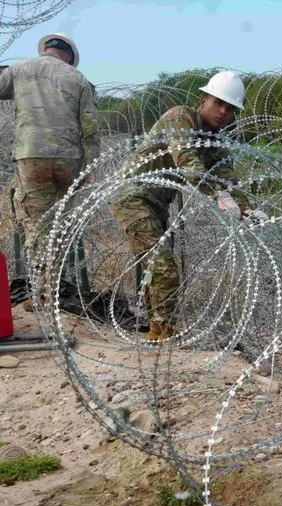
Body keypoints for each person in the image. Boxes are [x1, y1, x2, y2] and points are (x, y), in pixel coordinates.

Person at [110, 71, 252, 341]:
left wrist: (247, 208)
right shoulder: (181, 117)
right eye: (218, 103)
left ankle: (158, 333)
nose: (223, 111)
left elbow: (228, 178)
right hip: (133, 197)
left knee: (158, 268)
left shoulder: (214, 142)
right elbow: (187, 161)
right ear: (202, 101)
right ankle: (163, 338)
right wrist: (217, 196)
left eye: (230, 108)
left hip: (158, 203)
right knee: (164, 267)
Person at [0, 33, 99, 255]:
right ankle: (54, 277)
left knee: (37, 225)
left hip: (31, 154)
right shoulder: (78, 78)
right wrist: (91, 168)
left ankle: (43, 284)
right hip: (69, 159)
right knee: (59, 222)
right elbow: (91, 128)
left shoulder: (19, 70)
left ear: (45, 49)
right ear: (68, 56)